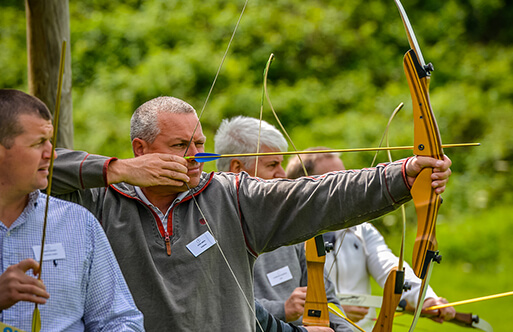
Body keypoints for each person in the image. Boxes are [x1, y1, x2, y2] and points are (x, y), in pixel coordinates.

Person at [50, 96, 452, 332]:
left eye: (199, 143)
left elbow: (315, 196)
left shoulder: (231, 196)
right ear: (140, 149)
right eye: (179, 146)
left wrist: (402, 175)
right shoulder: (101, 200)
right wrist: (116, 171)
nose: (195, 157)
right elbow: (32, 166)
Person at [0, 89, 144, 331]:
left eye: (50, 141)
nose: (52, 154)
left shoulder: (79, 223)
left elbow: (119, 320)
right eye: (38, 143)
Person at [286, 148, 456, 331]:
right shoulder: (284, 236)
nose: (342, 186)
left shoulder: (361, 229)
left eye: (343, 178)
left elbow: (389, 266)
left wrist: (426, 298)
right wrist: (335, 311)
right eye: (331, 181)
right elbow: (282, 300)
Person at [215, 116, 350, 332]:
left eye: (281, 163)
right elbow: (224, 309)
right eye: (272, 165)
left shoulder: (292, 225)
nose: (282, 174)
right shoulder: (210, 229)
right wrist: (282, 309)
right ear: (237, 168)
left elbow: (329, 301)